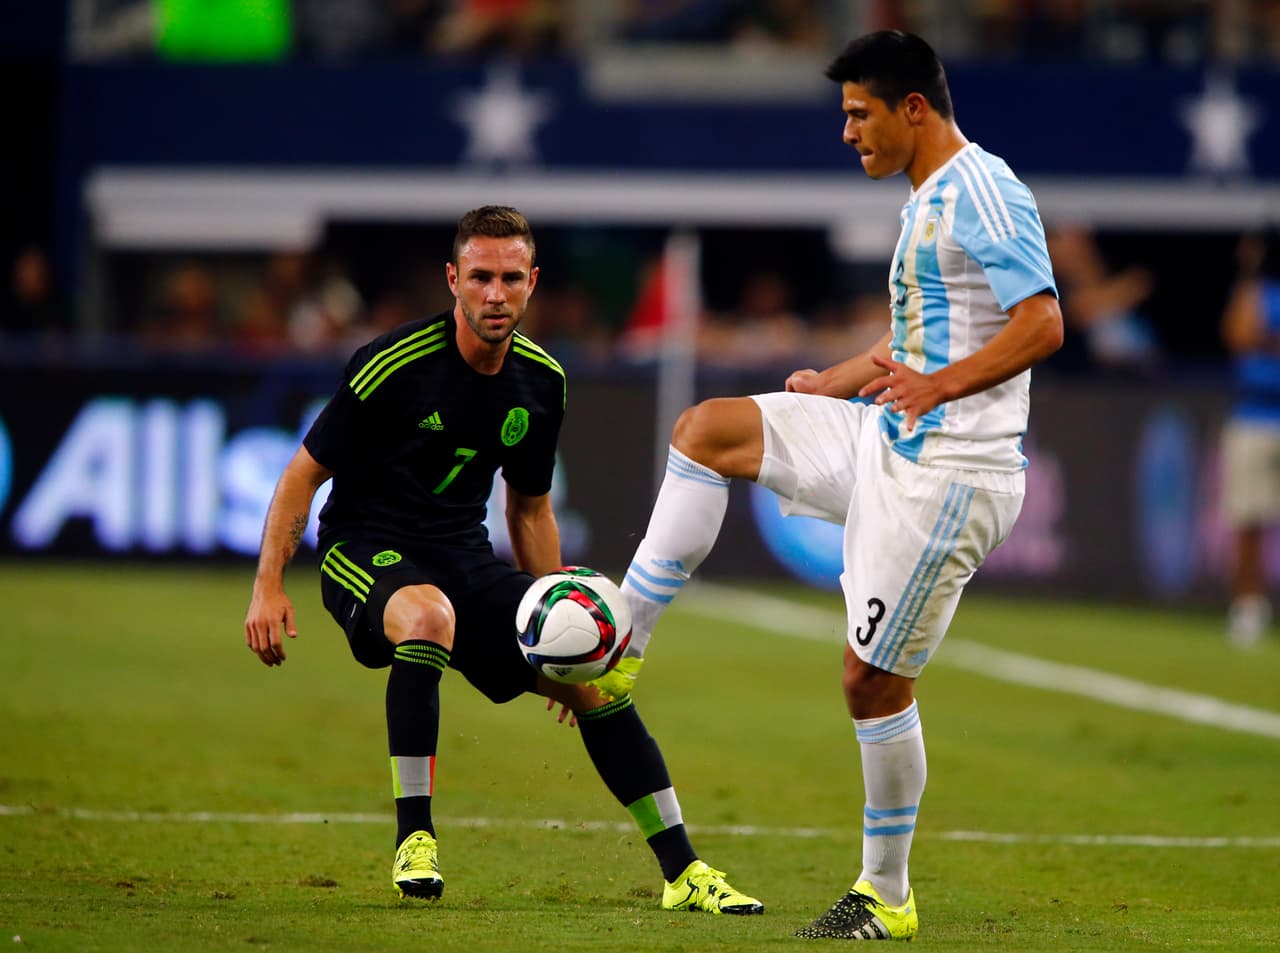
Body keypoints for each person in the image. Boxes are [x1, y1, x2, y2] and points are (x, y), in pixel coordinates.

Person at [613, 32, 1063, 941]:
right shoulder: (925, 200)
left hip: (952, 471)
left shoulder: (981, 189)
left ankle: (885, 894)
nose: (848, 132)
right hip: (885, 432)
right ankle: (623, 640)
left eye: (859, 113)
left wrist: (938, 386)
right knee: (710, 430)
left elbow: (1043, 321)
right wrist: (842, 377)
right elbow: (917, 340)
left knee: (868, 683)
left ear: (914, 109)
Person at [243, 206, 763, 915]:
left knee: (601, 688)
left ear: (532, 282)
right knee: (427, 614)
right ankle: (415, 839)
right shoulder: (396, 364)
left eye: (510, 278)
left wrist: (564, 626)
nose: (495, 293)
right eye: (481, 277)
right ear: (453, 279)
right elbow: (303, 472)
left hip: (462, 554)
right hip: (364, 547)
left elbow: (528, 508)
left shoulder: (542, 382)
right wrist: (267, 584)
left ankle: (685, 871)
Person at [1220, 228, 1280, 647]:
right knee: (1248, 519)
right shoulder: (1256, 290)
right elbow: (1239, 336)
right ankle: (1248, 606)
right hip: (1255, 416)